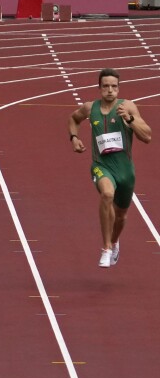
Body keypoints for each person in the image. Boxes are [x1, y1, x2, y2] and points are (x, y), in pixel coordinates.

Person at [69, 68, 152, 267]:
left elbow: (147, 136)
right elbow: (73, 119)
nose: (110, 90)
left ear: (118, 88)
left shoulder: (128, 107)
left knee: (121, 216)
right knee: (107, 194)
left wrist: (130, 120)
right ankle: (105, 248)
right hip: (101, 165)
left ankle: (114, 243)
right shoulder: (90, 108)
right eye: (105, 86)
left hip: (125, 171)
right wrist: (74, 137)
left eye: (114, 86)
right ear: (99, 88)